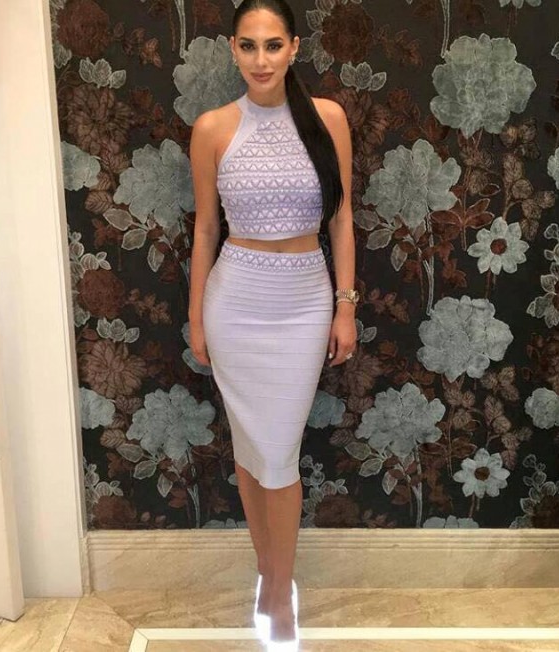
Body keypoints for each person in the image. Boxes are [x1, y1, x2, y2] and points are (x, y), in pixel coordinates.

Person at [188, 0, 356, 648]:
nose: (261, 59)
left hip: (303, 302)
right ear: (233, 49)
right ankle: (270, 576)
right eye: (249, 46)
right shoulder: (212, 129)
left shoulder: (328, 119)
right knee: (251, 449)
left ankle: (280, 592)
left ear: (294, 48)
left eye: (273, 45)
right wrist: (196, 315)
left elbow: (342, 220)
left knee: (279, 453)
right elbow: (206, 230)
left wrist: (345, 305)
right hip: (235, 301)